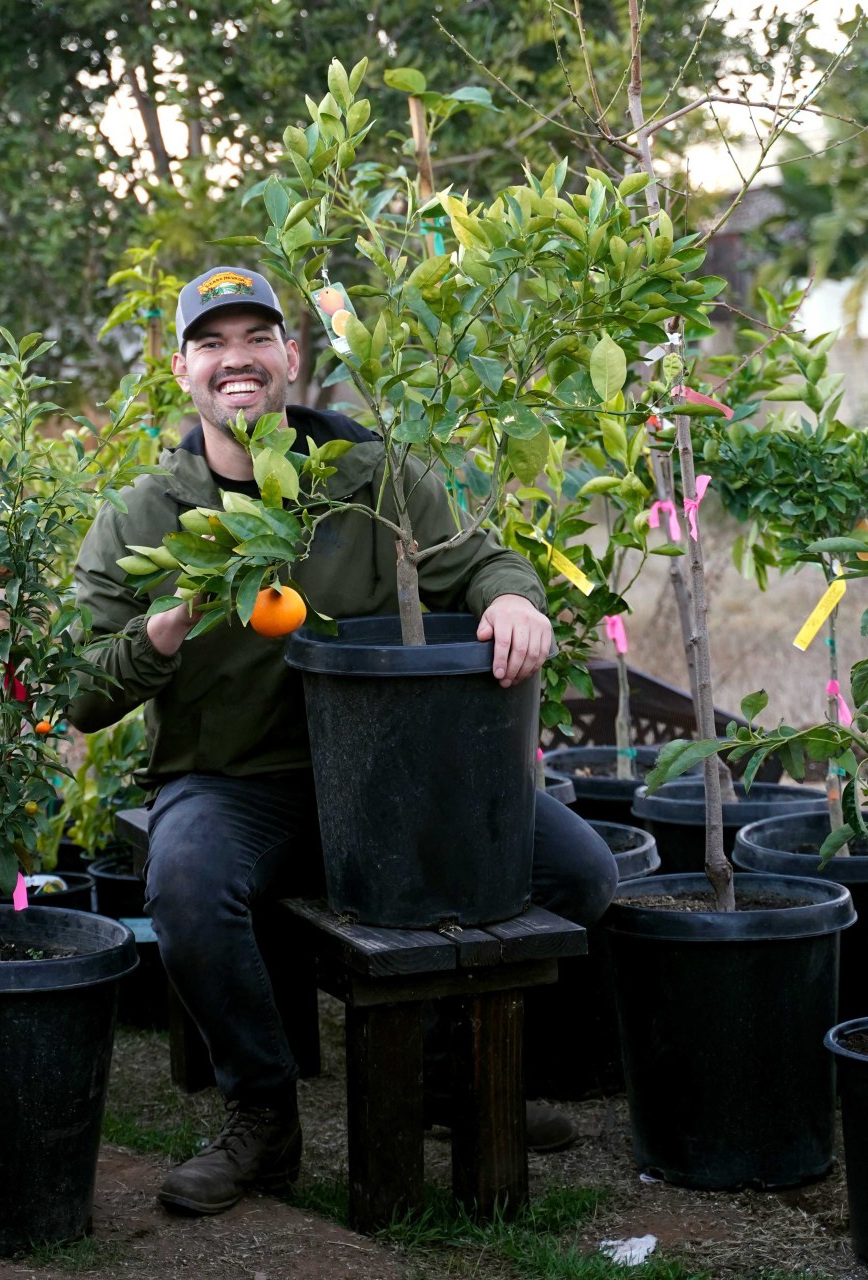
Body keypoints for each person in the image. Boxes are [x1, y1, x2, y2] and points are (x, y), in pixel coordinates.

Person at [68, 265, 619, 1217]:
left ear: (291, 356)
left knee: (579, 871)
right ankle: (263, 1114)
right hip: (237, 780)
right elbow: (77, 689)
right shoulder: (145, 516)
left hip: (393, 777)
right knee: (185, 885)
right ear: (182, 369)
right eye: (211, 343)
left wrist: (515, 599)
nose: (234, 359)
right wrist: (159, 631)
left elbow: (478, 560)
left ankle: (448, 1080)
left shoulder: (370, 477)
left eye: (255, 339)